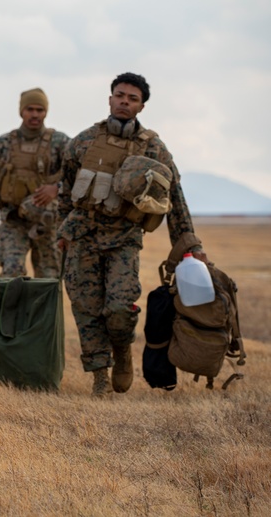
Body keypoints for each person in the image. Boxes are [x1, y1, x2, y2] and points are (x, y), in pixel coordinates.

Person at [57, 72, 200, 397]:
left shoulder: (153, 148)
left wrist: (189, 246)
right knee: (86, 309)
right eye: (120, 95)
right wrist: (61, 232)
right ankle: (99, 379)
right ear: (110, 99)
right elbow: (65, 191)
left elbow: (175, 199)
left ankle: (122, 353)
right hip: (82, 237)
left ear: (141, 106)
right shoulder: (82, 141)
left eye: (132, 98)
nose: (124, 101)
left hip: (123, 240)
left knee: (120, 310)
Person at [0, 88, 70, 278]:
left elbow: (78, 177)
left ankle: (44, 309)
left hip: (48, 222)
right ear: (21, 111)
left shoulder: (60, 143)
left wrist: (56, 189)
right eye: (30, 109)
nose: (35, 114)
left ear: (46, 112)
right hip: (12, 219)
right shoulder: (1, 144)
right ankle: (12, 309)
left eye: (40, 110)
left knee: (49, 276)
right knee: (12, 272)